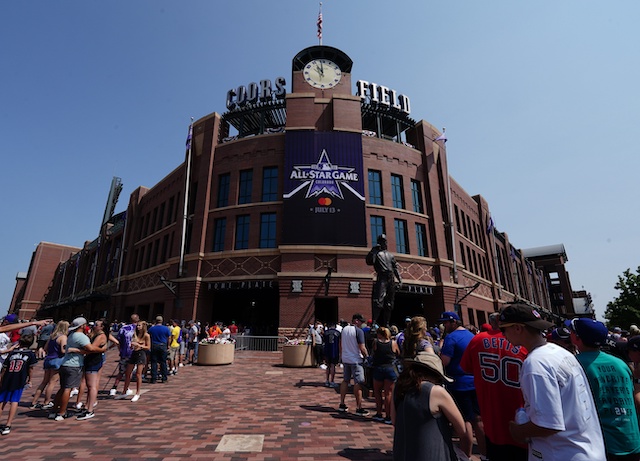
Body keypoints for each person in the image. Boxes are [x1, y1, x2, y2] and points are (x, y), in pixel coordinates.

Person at [500, 303, 606, 461]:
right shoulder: (559, 352)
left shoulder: (536, 363)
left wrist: (518, 431)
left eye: (503, 329)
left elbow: (547, 424)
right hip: (586, 448)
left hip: (563, 453)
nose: (503, 334)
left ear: (517, 328)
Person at [460, 312, 528, 461]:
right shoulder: (523, 342)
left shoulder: (478, 339)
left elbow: (466, 368)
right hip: (522, 415)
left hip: (493, 418)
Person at [569, 318, 640, 460]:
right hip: (631, 439)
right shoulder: (621, 364)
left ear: (576, 338)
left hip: (603, 444)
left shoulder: (574, 364)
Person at [391, 351, 466, 461]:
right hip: (432, 453)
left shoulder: (398, 388)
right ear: (435, 375)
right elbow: (461, 429)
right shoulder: (436, 392)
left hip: (403, 453)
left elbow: (394, 421)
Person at [438, 311, 486, 459]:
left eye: (446, 322)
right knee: (478, 420)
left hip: (459, 384)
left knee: (464, 420)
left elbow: (444, 361)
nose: (444, 325)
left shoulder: (451, 338)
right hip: (475, 382)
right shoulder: (472, 336)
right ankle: (485, 455)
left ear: (454, 322)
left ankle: (466, 456)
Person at [51, 317, 102, 421]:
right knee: (67, 389)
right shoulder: (81, 336)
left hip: (65, 363)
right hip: (74, 365)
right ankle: (62, 413)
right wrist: (102, 349)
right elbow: (90, 348)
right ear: (82, 326)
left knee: (62, 388)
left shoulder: (70, 335)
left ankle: (54, 410)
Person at [0, 334, 37, 435]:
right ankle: (8, 424)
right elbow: (30, 368)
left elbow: (4, 368)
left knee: (2, 401)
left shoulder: (12, 353)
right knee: (14, 401)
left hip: (7, 378)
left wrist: (1, 379)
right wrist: (30, 379)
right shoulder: (30, 354)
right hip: (19, 379)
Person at [30, 320, 68, 409]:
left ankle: (34, 401)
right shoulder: (63, 337)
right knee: (52, 383)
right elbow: (63, 350)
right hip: (57, 360)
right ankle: (46, 402)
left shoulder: (52, 336)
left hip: (48, 359)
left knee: (44, 382)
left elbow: (45, 348)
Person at [366, 234, 402, 327]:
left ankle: (386, 324)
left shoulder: (390, 255)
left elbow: (395, 269)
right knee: (378, 301)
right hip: (382, 277)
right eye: (382, 241)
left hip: (391, 278)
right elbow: (369, 261)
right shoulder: (376, 254)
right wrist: (373, 250)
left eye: (385, 241)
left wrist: (400, 280)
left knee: (389, 303)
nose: (384, 243)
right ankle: (374, 323)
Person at [338, 313, 370, 416]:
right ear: (356, 320)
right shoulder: (358, 331)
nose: (362, 324)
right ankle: (359, 407)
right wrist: (367, 357)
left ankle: (342, 403)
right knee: (358, 382)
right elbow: (362, 347)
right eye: (361, 321)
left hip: (346, 358)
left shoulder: (344, 330)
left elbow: (340, 344)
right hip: (356, 359)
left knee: (345, 380)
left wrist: (342, 355)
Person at [371, 326, 401, 424]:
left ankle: (379, 413)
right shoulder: (393, 343)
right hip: (390, 368)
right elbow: (398, 353)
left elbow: (373, 353)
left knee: (377, 392)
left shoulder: (376, 342)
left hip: (378, 368)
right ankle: (388, 416)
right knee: (388, 394)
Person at [110, 314, 139, 397]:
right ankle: (123, 388)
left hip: (124, 352)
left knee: (121, 371)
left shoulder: (123, 328)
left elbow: (118, 341)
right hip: (134, 353)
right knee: (129, 372)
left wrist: (121, 350)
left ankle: (114, 388)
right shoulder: (138, 329)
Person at [122, 320, 150, 402]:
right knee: (128, 372)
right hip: (134, 353)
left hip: (141, 354)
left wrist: (139, 345)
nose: (138, 327)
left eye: (139, 325)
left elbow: (148, 347)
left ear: (143, 326)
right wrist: (131, 346)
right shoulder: (135, 334)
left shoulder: (146, 336)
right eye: (137, 325)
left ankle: (137, 393)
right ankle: (124, 391)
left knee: (138, 374)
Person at [148, 316, 171, 384]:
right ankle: (164, 378)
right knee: (163, 362)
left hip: (154, 345)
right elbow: (169, 337)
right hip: (163, 345)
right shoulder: (166, 328)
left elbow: (148, 337)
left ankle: (154, 378)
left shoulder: (152, 328)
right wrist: (168, 345)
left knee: (154, 362)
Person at [323, 322, 341, 388]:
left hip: (327, 350)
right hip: (335, 351)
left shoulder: (326, 332)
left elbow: (324, 341)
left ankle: (327, 380)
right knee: (333, 366)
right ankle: (332, 381)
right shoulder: (338, 333)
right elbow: (340, 343)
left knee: (328, 365)